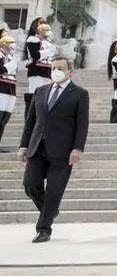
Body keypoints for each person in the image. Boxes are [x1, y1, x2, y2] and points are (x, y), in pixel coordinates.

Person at [17, 57, 90, 243]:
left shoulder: (80, 94)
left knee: (54, 191)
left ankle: (43, 229)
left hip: (62, 151)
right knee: (30, 185)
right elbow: (30, 121)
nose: (56, 71)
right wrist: (23, 145)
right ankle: (50, 209)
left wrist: (77, 148)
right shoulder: (40, 91)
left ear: (70, 72)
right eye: (54, 67)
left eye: (61, 68)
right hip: (37, 147)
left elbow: (82, 124)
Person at [24, 21, 55, 117]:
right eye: (46, 30)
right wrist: (48, 51)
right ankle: (30, 118)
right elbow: (35, 56)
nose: (48, 32)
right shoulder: (33, 40)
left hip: (47, 73)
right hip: (36, 71)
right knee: (34, 95)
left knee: (45, 98)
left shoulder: (49, 44)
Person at [0, 32, 17, 152]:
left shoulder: (11, 57)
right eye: (11, 42)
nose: (13, 45)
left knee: (4, 119)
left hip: (10, 89)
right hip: (1, 88)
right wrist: (9, 66)